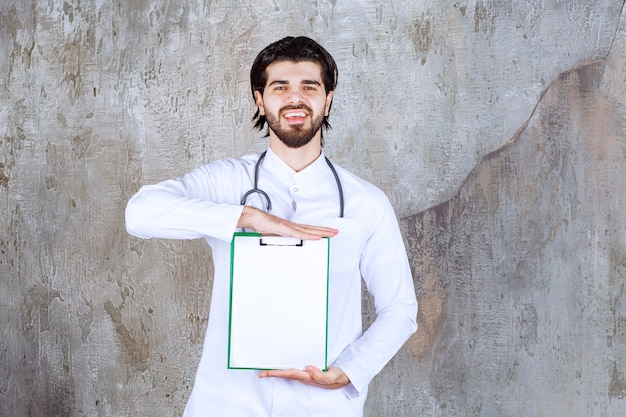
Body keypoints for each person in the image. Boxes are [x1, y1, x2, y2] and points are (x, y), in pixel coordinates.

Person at [125, 36, 418, 417]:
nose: (295, 99)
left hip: (321, 406)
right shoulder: (228, 183)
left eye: (309, 87)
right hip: (227, 405)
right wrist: (246, 217)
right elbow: (140, 213)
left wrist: (350, 371)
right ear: (260, 101)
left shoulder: (367, 203)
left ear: (327, 99)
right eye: (280, 87)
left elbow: (400, 308)